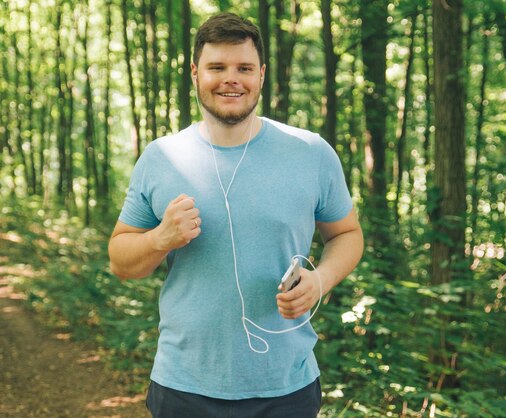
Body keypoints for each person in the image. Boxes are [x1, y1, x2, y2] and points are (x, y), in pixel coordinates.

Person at [108, 11, 363, 418]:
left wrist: (322, 279)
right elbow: (121, 260)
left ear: (261, 75)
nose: (231, 78)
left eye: (244, 67)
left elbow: (347, 233)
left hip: (286, 387)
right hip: (184, 386)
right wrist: (160, 238)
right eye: (217, 67)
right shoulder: (162, 157)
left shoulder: (311, 153)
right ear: (195, 73)